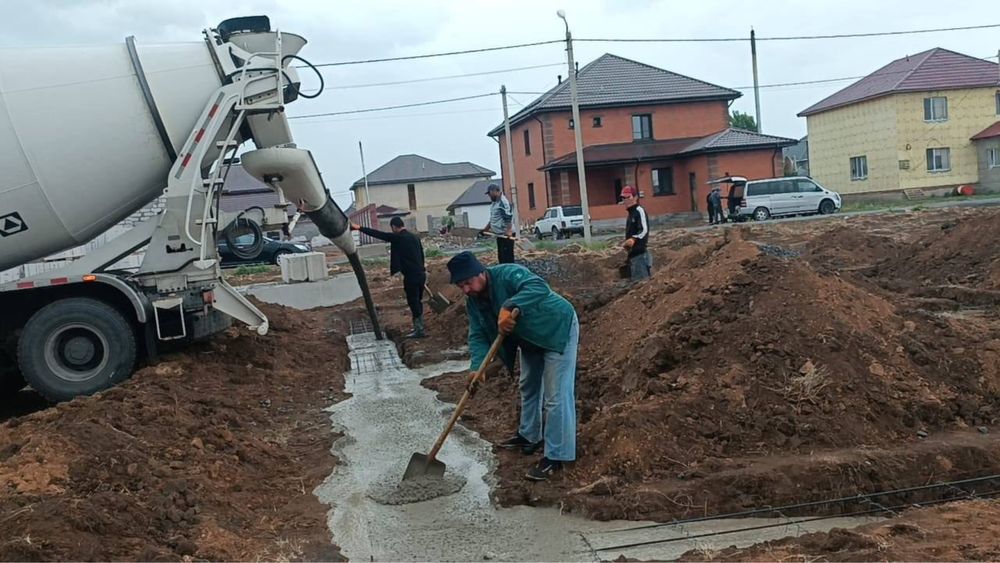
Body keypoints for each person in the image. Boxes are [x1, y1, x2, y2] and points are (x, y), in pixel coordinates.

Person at [447, 251, 578, 481]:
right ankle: (529, 436)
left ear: (481, 272)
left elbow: (539, 287)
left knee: (556, 396)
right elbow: (477, 334)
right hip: (528, 339)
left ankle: (557, 457)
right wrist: (477, 368)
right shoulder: (474, 301)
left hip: (556, 329)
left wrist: (510, 305)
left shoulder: (507, 274)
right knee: (528, 385)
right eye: (461, 286)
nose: (466, 289)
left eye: (468, 283)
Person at [350, 217, 427, 338]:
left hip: (411, 276)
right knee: (418, 300)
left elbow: (379, 234)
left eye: (392, 229)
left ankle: (420, 330)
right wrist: (421, 270)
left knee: (413, 302)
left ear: (394, 227)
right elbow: (422, 256)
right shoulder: (415, 237)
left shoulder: (398, 238)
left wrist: (359, 228)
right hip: (421, 274)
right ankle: (420, 327)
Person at [620, 185, 651, 280]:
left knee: (643, 285)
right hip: (633, 257)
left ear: (635, 197)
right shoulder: (631, 214)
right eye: (623, 198)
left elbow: (644, 229)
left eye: (628, 197)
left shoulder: (639, 211)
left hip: (640, 256)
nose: (626, 200)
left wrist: (633, 239)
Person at [480, 183, 515, 264]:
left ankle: (509, 274)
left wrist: (508, 230)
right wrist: (486, 228)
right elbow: (493, 218)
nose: (489, 196)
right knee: (501, 257)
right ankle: (504, 272)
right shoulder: (494, 203)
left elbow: (508, 217)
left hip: (506, 235)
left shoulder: (503, 202)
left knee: (507, 258)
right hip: (500, 235)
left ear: (495, 191)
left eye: (490, 193)